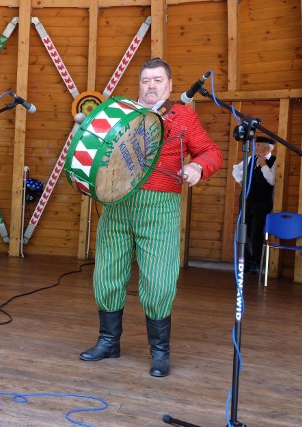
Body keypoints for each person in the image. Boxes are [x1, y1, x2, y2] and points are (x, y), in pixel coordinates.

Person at [80, 57, 223, 377]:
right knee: (107, 274)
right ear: (139, 85)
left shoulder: (184, 115)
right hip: (117, 203)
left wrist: (197, 167)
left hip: (160, 208)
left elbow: (212, 151)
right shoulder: (123, 112)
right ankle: (108, 342)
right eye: (146, 80)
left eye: (158, 80)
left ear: (170, 86)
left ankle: (160, 352)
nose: (151, 86)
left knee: (159, 281)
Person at [232, 136, 276, 274]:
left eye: (258, 145)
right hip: (246, 200)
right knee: (244, 230)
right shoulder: (251, 159)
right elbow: (235, 169)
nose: (255, 148)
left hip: (262, 202)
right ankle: (245, 264)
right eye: (255, 145)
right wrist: (240, 181)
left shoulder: (274, 161)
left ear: (268, 147)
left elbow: (272, 181)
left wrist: (263, 165)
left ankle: (257, 264)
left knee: (257, 232)